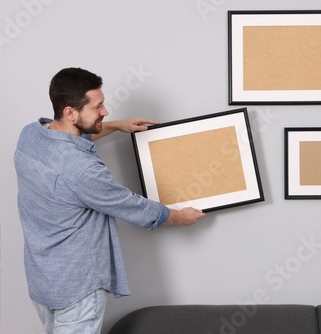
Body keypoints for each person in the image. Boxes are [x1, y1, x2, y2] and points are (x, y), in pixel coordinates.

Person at [14, 67, 206, 334]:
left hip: (43, 281)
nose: (105, 111)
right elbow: (131, 206)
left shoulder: (30, 136)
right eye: (98, 107)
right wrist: (178, 216)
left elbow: (71, 139)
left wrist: (116, 126)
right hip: (77, 289)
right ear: (70, 112)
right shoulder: (83, 171)